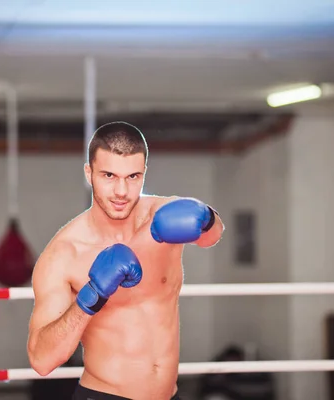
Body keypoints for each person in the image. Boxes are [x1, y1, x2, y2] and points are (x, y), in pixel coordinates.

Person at [27, 121, 224, 400]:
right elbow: (41, 360)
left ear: (144, 174)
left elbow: (212, 236)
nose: (121, 191)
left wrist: (206, 216)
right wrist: (91, 296)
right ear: (89, 173)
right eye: (109, 175)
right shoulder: (65, 253)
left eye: (133, 177)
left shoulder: (162, 215)